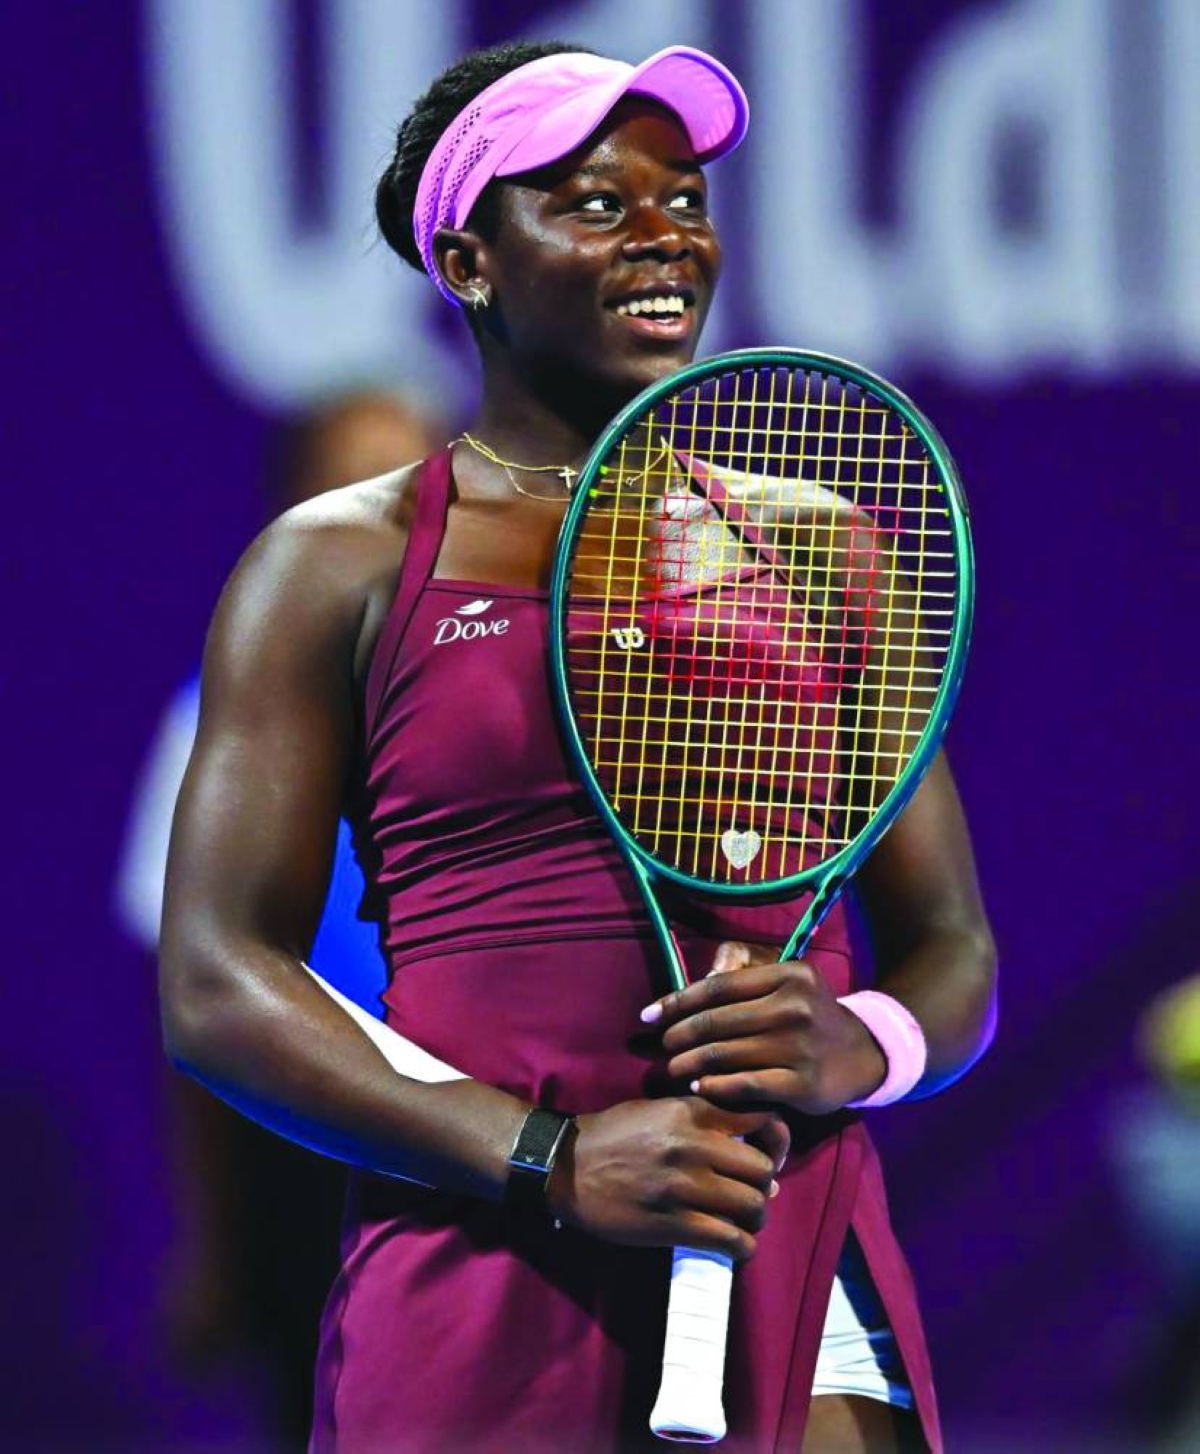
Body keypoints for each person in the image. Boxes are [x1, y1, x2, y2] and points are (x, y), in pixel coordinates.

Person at [159, 41, 997, 1453]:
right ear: (473, 262)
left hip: (783, 1248)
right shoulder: (333, 568)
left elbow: (954, 949)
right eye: (600, 203)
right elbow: (215, 979)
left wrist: (859, 1040)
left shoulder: (819, 551)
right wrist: (550, 1158)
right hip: (472, 1259)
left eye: (686, 196)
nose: (668, 232)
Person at [123, 390, 438, 1448]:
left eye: (407, 489)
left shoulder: (524, 701)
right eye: (348, 491)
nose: (385, 526)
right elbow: (197, 1009)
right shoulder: (220, 721)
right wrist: (213, 1242)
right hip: (302, 1153)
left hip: (492, 1147)